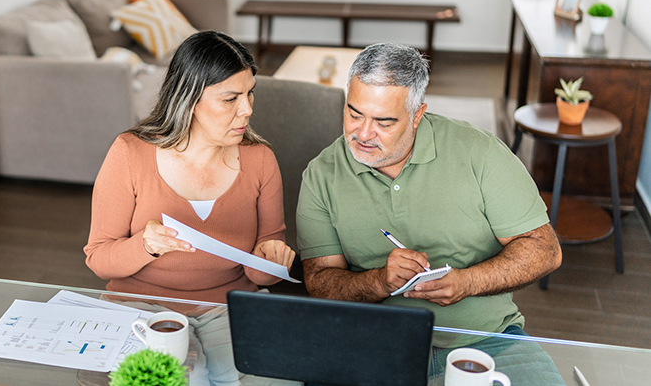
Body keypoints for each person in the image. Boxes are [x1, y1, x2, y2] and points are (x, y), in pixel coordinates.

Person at [296, 43, 565, 384]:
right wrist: (379, 281)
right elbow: (319, 280)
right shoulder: (322, 174)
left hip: (485, 340)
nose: (363, 134)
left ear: (417, 115)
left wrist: (468, 282)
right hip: (375, 343)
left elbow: (544, 249)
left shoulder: (479, 152)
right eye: (354, 113)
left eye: (384, 122)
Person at [84, 30, 295, 304]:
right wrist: (145, 245)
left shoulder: (261, 160)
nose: (247, 109)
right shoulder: (129, 153)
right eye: (230, 99)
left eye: (250, 93)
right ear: (189, 100)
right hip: (138, 306)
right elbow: (99, 260)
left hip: (227, 307)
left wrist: (272, 263)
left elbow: (261, 274)